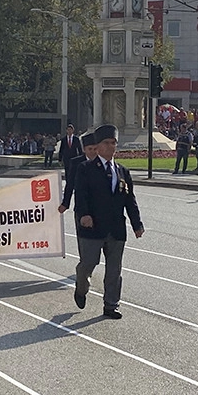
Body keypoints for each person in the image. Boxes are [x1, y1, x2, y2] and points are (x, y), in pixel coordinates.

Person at [73, 124, 144, 319]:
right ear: (97, 146)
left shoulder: (122, 171)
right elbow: (81, 195)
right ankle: (81, 288)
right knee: (88, 264)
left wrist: (137, 224)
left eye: (114, 143)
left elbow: (130, 200)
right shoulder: (85, 169)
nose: (111, 146)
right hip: (92, 227)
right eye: (107, 143)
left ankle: (111, 305)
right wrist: (84, 215)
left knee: (114, 269)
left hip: (116, 229)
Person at [58, 131, 97, 214]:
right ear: (84, 149)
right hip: (81, 205)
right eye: (90, 149)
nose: (93, 152)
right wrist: (65, 204)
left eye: (95, 149)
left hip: (98, 206)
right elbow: (70, 184)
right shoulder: (76, 163)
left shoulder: (101, 162)